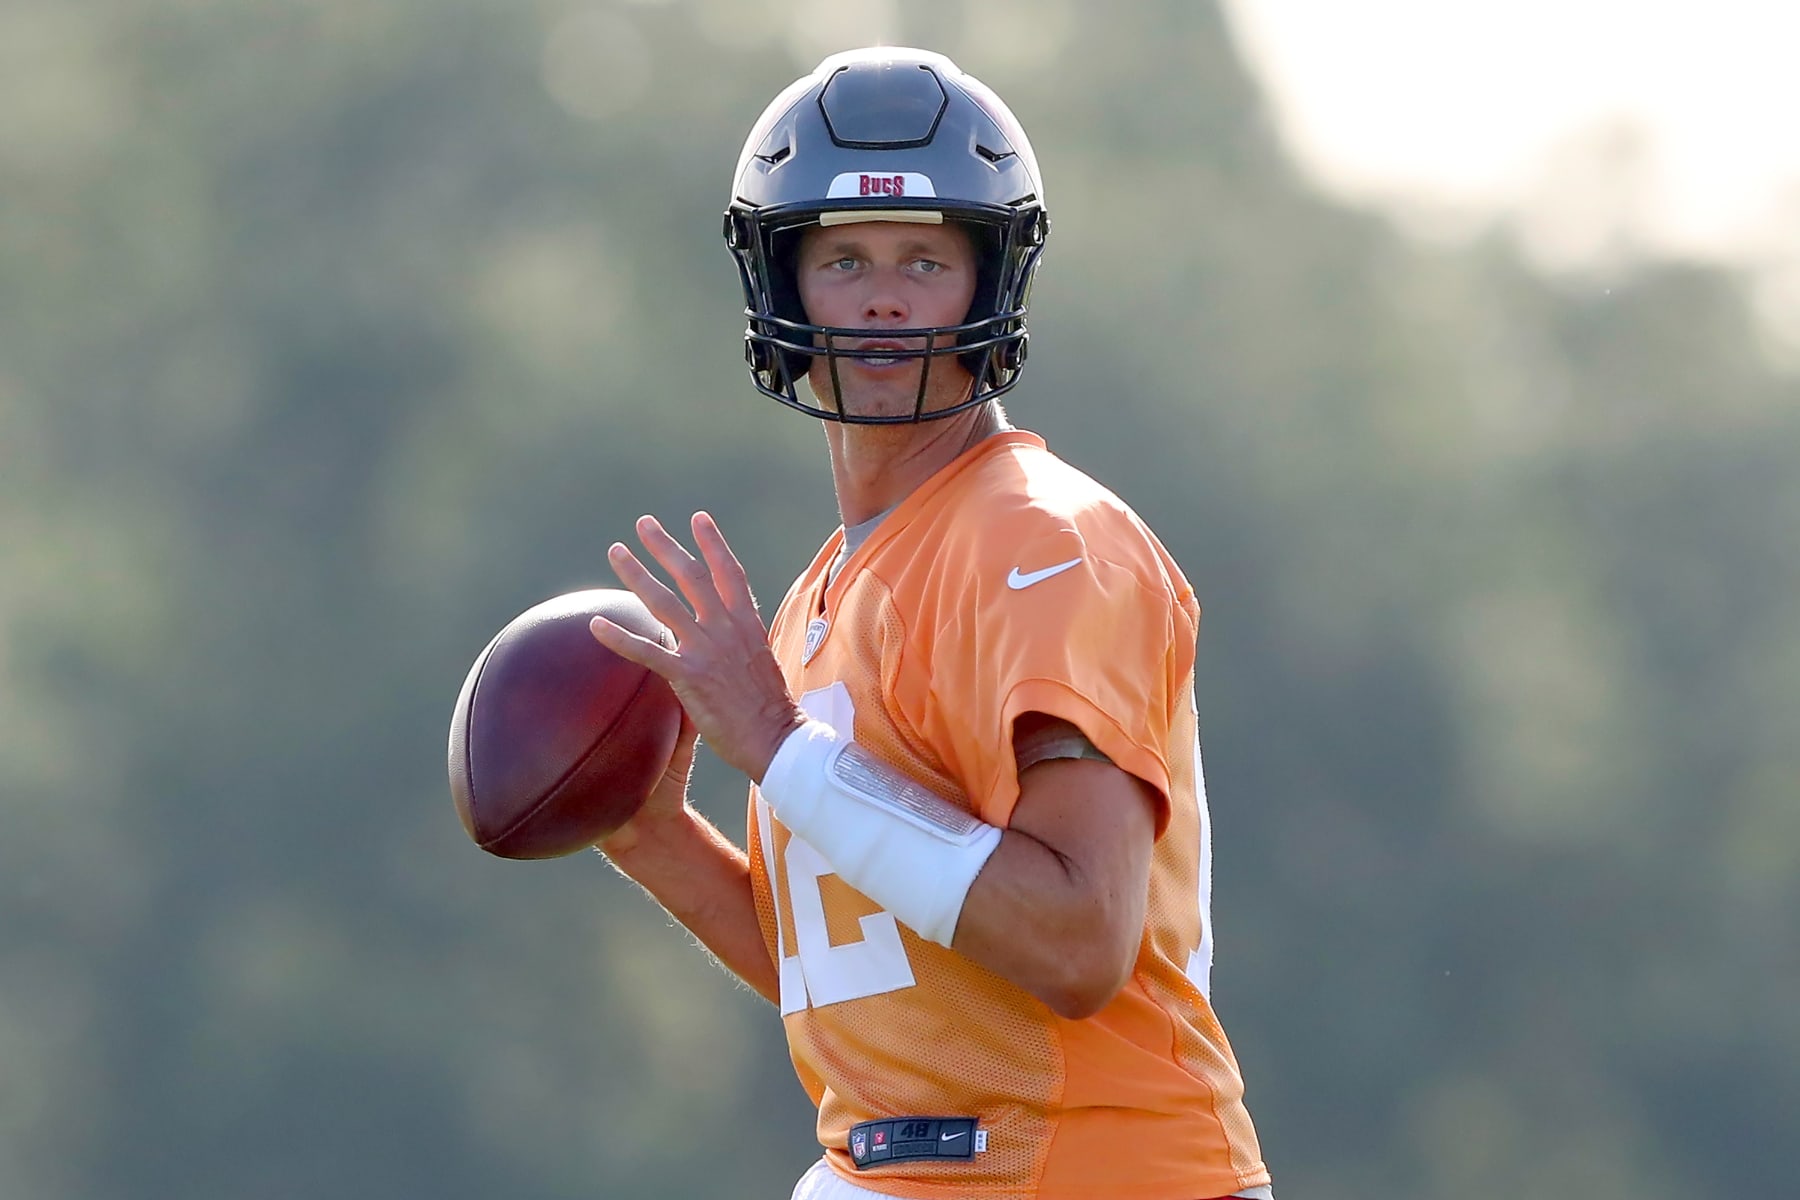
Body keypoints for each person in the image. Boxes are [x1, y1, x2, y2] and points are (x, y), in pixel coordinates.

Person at [589, 47, 1274, 1200]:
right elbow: (871, 976)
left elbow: (1071, 943)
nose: (886, 296)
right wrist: (651, 835)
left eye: (926, 258)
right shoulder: (825, 593)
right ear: (781, 286)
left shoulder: (1046, 542)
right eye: (845, 258)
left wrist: (780, 746)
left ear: (991, 281)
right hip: (915, 1174)